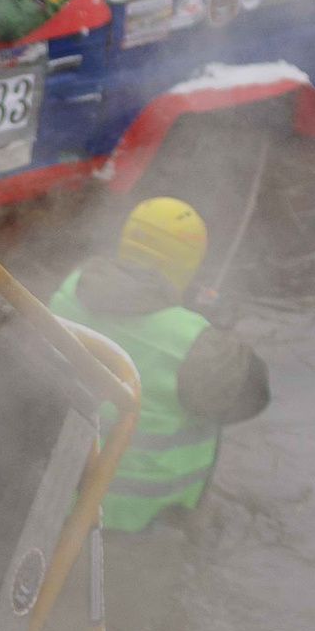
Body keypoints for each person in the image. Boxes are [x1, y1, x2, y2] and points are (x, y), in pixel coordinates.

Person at [49, 196, 269, 534]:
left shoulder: (70, 290)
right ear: (190, 262)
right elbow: (254, 398)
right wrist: (218, 335)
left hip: (59, 500)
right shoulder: (197, 344)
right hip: (142, 521)